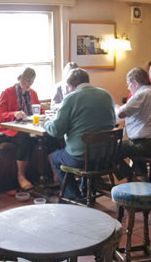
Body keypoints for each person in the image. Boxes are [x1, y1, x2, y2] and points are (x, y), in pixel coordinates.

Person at [44, 68, 116, 199]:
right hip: (106, 155)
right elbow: (113, 122)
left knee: (56, 158)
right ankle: (85, 190)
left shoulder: (71, 98)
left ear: (70, 85)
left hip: (81, 157)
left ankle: (74, 196)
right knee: (87, 151)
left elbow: (56, 130)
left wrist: (46, 122)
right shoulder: (106, 94)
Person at [116, 67, 151, 179]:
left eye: (128, 84)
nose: (128, 87)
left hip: (146, 146)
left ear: (135, 83)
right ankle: (143, 176)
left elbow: (121, 114)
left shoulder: (141, 94)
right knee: (133, 141)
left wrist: (117, 108)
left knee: (112, 148)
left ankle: (129, 175)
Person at [0, 67, 41, 190]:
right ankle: (21, 175)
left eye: (32, 81)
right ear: (20, 78)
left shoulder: (33, 93)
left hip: (31, 128)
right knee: (25, 137)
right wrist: (14, 114)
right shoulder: (7, 93)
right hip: (12, 130)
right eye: (27, 81)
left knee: (48, 137)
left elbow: (39, 111)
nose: (29, 84)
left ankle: (52, 176)